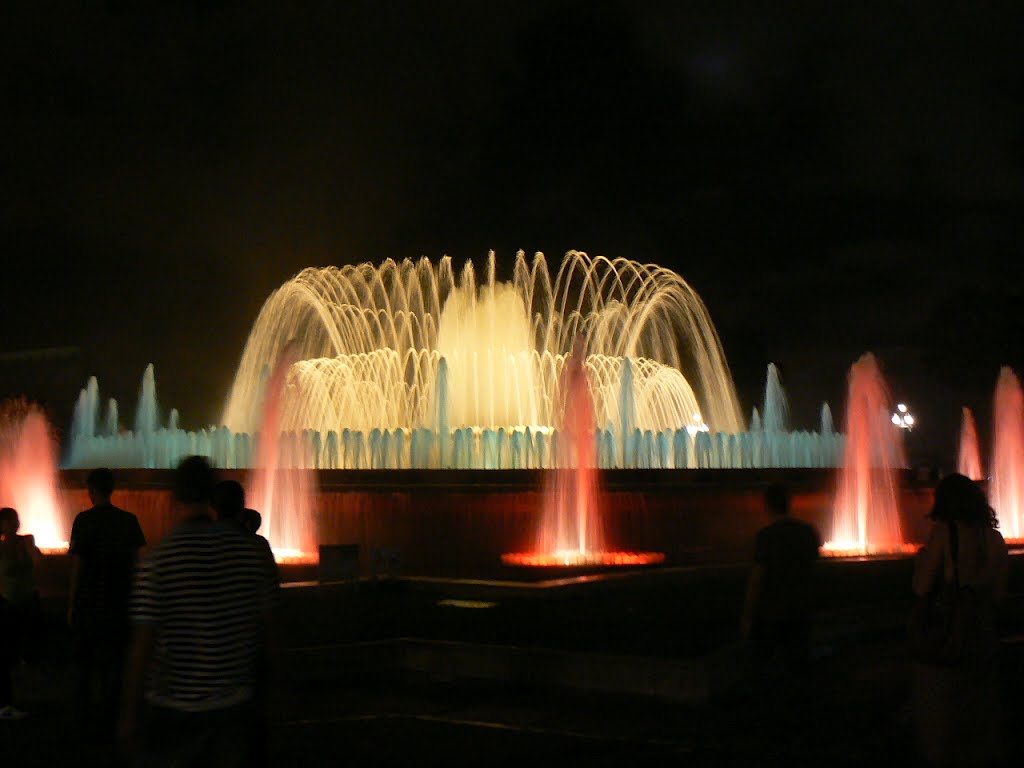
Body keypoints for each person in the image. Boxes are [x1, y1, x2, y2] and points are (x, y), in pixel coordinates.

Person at [118, 457, 277, 766]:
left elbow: (142, 645)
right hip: (235, 705)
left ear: (172, 497)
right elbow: (269, 628)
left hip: (173, 709)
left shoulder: (159, 558)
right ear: (211, 496)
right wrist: (276, 690)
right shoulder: (248, 551)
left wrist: (128, 714)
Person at [911, 473, 1008, 768]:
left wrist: (922, 559)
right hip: (983, 632)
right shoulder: (994, 538)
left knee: (939, 707)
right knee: (979, 704)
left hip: (947, 633)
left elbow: (921, 586)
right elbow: (999, 594)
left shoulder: (944, 533)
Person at [67, 468, 146, 740]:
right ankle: (113, 712)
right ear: (111, 489)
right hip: (120, 600)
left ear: (92, 491)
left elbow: (78, 563)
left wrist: (71, 601)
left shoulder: (84, 520)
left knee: (86, 660)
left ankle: (85, 718)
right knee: (116, 659)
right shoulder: (129, 521)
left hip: (90, 601)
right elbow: (137, 564)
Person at [741, 483, 821, 677]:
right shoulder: (808, 532)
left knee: (766, 669)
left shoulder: (766, 537)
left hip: (773, 614)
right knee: (799, 669)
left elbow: (757, 579)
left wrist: (747, 616)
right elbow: (816, 568)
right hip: (801, 611)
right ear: (789, 503)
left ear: (767, 506)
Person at [0, 507, 41, 720]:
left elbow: (37, 561)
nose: (14, 523)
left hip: (28, 602)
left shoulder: (28, 540)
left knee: (23, 650)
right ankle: (8, 702)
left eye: (15, 519)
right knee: (7, 653)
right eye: (8, 521)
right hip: (7, 604)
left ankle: (18, 697)